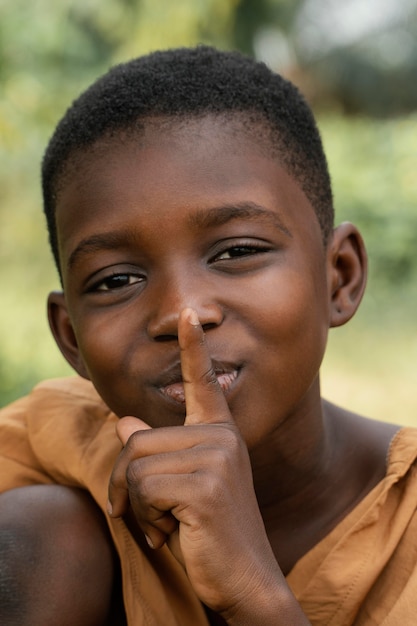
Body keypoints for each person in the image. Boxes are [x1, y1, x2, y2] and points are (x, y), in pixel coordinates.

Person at [0, 45, 416, 626]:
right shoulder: (54, 446)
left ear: (338, 277)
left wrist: (253, 591)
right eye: (116, 279)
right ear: (71, 339)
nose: (181, 313)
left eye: (238, 251)